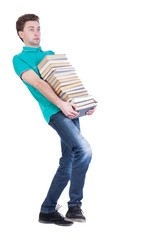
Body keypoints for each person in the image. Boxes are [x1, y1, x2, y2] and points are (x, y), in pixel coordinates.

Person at [12, 13, 97, 227]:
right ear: (21, 34)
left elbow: (66, 82)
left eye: (39, 28)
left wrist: (83, 103)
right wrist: (61, 105)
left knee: (68, 161)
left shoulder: (50, 55)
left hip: (70, 109)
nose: (36, 32)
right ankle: (74, 206)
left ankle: (47, 210)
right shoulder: (19, 59)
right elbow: (39, 84)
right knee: (84, 150)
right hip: (55, 112)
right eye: (31, 29)